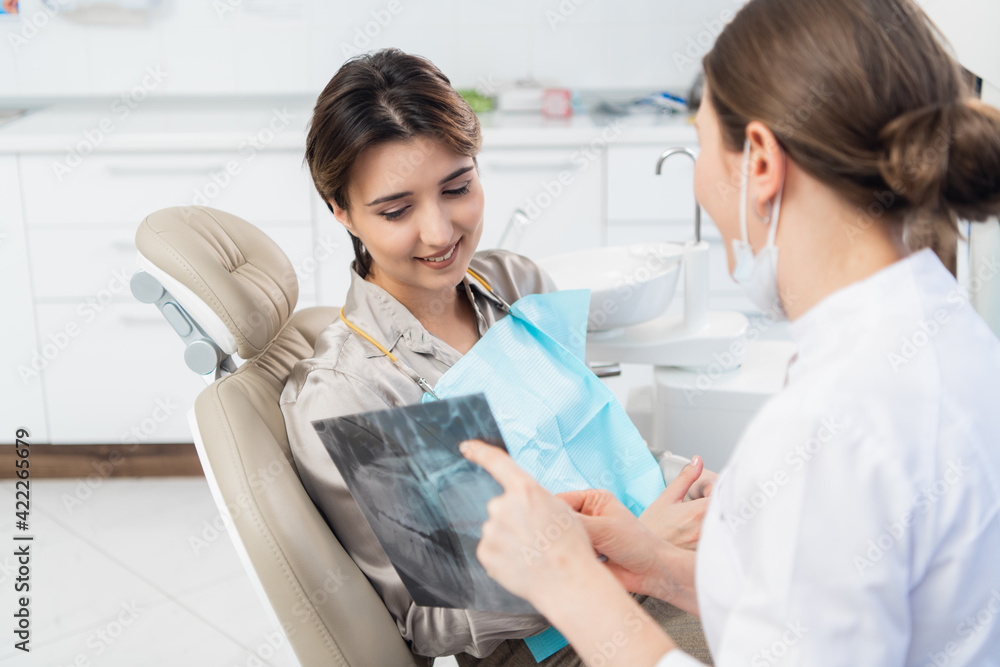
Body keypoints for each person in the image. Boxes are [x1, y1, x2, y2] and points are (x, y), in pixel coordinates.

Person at [460, 0, 1000, 665]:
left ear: (763, 163)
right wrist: (660, 565)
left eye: (701, 139)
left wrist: (567, 582)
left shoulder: (835, 421)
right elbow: (840, 610)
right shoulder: (946, 331)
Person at [279, 48, 714, 666]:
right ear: (341, 211)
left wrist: (693, 489)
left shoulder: (514, 284)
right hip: (560, 647)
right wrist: (627, 556)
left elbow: (601, 447)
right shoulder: (355, 388)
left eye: (458, 187)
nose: (439, 232)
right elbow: (430, 620)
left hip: (655, 559)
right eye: (397, 210)